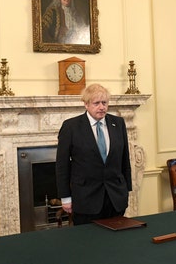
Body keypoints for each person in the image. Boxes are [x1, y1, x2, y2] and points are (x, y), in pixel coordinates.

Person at [56, 84, 132, 225]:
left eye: (104, 103)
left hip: (115, 198)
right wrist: (65, 197)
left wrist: (127, 190)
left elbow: (124, 159)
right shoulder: (71, 127)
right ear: (86, 104)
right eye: (96, 103)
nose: (102, 107)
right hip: (86, 199)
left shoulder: (118, 123)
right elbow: (62, 166)